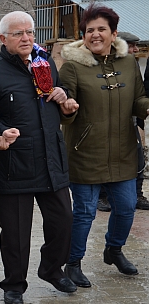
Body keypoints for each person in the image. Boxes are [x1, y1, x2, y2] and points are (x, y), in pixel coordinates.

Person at [0, 11, 79, 304]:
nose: (26, 38)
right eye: (18, 33)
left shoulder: (44, 64)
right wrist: (0, 132)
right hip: (14, 164)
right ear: (3, 39)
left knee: (63, 221)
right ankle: (14, 285)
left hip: (51, 160)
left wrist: (65, 102)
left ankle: (51, 269)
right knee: (15, 234)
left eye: (30, 32)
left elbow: (58, 108)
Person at [59, 4, 149, 286]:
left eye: (101, 29)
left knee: (126, 206)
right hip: (85, 153)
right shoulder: (73, 65)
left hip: (123, 150)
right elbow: (64, 111)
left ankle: (114, 249)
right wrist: (68, 107)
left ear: (114, 33)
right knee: (84, 212)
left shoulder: (129, 64)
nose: (95, 35)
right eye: (89, 30)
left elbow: (138, 103)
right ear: (83, 35)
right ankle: (72, 263)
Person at [97, 31, 149, 212]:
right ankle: (102, 196)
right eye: (132, 46)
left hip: (131, 123)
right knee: (106, 160)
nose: (136, 49)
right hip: (106, 125)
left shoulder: (132, 66)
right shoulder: (104, 66)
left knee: (138, 159)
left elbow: (140, 93)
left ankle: (137, 194)